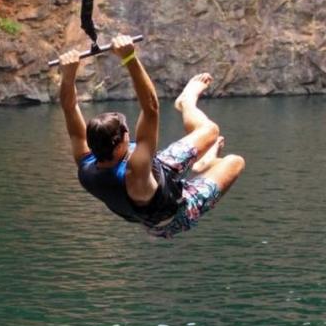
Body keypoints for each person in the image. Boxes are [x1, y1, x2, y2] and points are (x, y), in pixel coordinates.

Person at [58, 35, 245, 238]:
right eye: (126, 133)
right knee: (235, 162)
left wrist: (68, 75)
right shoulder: (135, 169)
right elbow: (151, 109)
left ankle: (186, 102)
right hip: (173, 213)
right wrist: (129, 57)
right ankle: (204, 165)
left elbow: (69, 108)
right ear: (122, 141)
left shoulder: (85, 162)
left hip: (158, 172)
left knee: (210, 130)